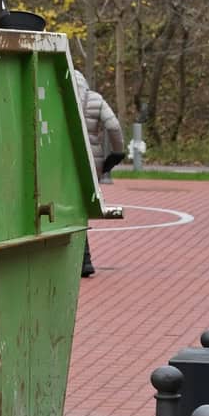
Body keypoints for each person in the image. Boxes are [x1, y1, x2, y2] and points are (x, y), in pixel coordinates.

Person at [73, 69, 125, 278]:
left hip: (66, 160)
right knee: (84, 206)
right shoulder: (95, 99)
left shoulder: (58, 95)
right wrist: (117, 153)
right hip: (92, 162)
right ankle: (84, 259)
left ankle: (82, 258)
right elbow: (113, 126)